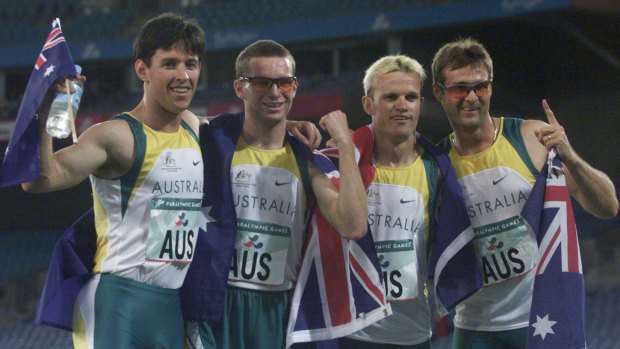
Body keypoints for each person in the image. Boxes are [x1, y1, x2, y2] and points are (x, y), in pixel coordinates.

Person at [21, 12, 206, 349]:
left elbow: (237, 130)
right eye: (170, 64)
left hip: (170, 306)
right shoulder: (116, 136)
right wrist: (44, 111)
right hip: (118, 302)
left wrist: (289, 126)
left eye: (191, 64)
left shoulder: (192, 126)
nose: (183, 75)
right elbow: (39, 181)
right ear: (142, 70)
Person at [431, 37, 619, 349]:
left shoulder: (530, 138)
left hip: (540, 320)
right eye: (459, 88)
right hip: (474, 328)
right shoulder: (436, 166)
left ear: (491, 86)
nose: (472, 97)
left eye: (481, 86)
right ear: (438, 92)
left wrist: (570, 156)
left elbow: (608, 206)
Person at [184, 39, 368, 349]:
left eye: (284, 83)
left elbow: (353, 226)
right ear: (240, 88)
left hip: (279, 310)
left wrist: (346, 145)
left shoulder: (306, 163)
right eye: (261, 83)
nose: (274, 92)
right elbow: (171, 119)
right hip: (216, 306)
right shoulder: (210, 140)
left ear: (294, 87)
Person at [322, 54, 437, 348]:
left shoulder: (439, 169)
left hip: (413, 334)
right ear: (368, 105)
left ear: (420, 105)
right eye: (390, 97)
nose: (402, 105)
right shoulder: (339, 165)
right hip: (352, 333)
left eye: (410, 97)